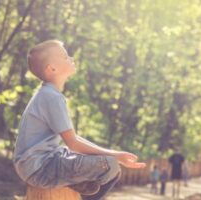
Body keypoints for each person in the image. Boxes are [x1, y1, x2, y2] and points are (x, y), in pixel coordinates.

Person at [13, 40, 146, 200]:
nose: (71, 58)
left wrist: (114, 154)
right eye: (65, 56)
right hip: (40, 168)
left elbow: (73, 139)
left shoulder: (49, 94)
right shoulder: (51, 97)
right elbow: (73, 143)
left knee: (110, 165)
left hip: (43, 163)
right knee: (110, 165)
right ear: (52, 68)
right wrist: (115, 156)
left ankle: (78, 187)